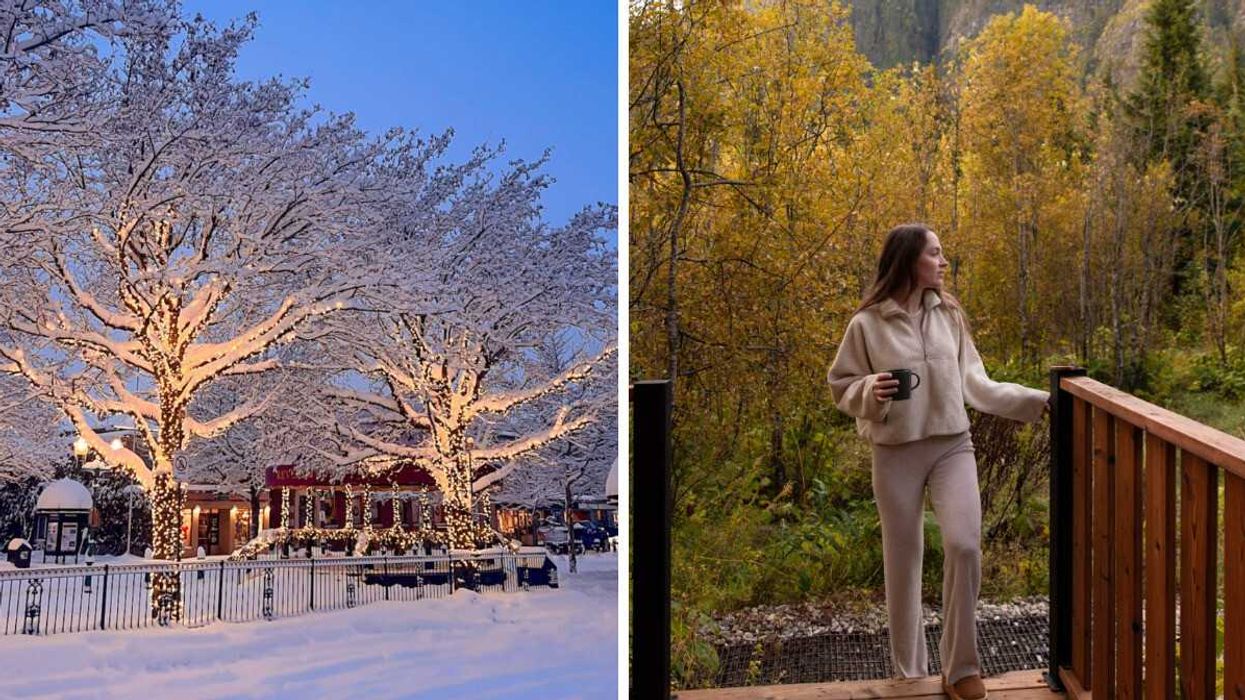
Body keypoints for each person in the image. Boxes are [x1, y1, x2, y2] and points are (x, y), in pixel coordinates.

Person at [827, 223, 1050, 700]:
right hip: (894, 452)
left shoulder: (949, 315)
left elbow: (978, 385)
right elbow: (841, 386)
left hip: (953, 445)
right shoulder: (866, 324)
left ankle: (960, 669)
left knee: (965, 545)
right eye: (936, 253)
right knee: (902, 561)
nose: (944, 262)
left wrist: (1038, 401)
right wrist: (871, 391)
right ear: (910, 260)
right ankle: (910, 673)